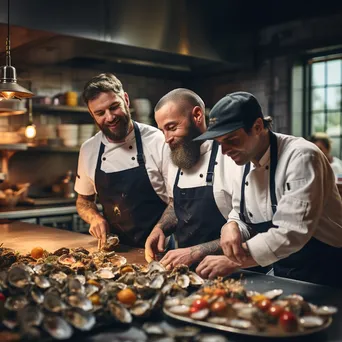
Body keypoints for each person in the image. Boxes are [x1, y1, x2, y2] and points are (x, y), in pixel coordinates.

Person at [194, 91, 342, 287]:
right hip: (284, 270)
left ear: (257, 127)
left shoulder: (302, 157)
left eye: (231, 140)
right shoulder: (244, 160)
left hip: (326, 271)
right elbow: (242, 212)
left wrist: (233, 260)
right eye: (219, 143)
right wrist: (231, 225)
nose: (224, 151)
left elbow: (292, 232)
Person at [75, 73, 169, 248]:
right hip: (115, 251)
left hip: (162, 248)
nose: (110, 117)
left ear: (126, 99)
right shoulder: (89, 149)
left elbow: (178, 200)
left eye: (114, 107)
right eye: (100, 113)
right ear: (91, 114)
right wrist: (94, 218)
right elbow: (84, 201)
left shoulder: (158, 140)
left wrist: (161, 228)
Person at [144, 88, 235, 269]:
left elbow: (248, 229)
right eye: (162, 130)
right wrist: (160, 228)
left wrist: (195, 252)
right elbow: (174, 205)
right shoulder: (179, 156)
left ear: (197, 115)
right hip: (187, 270)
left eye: (172, 127)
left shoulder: (231, 156)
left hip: (234, 271)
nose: (167, 139)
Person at [309, 132, 342, 197]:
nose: (317, 151)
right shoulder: (311, 165)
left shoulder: (336, 166)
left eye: (320, 148)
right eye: (314, 149)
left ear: (328, 149)